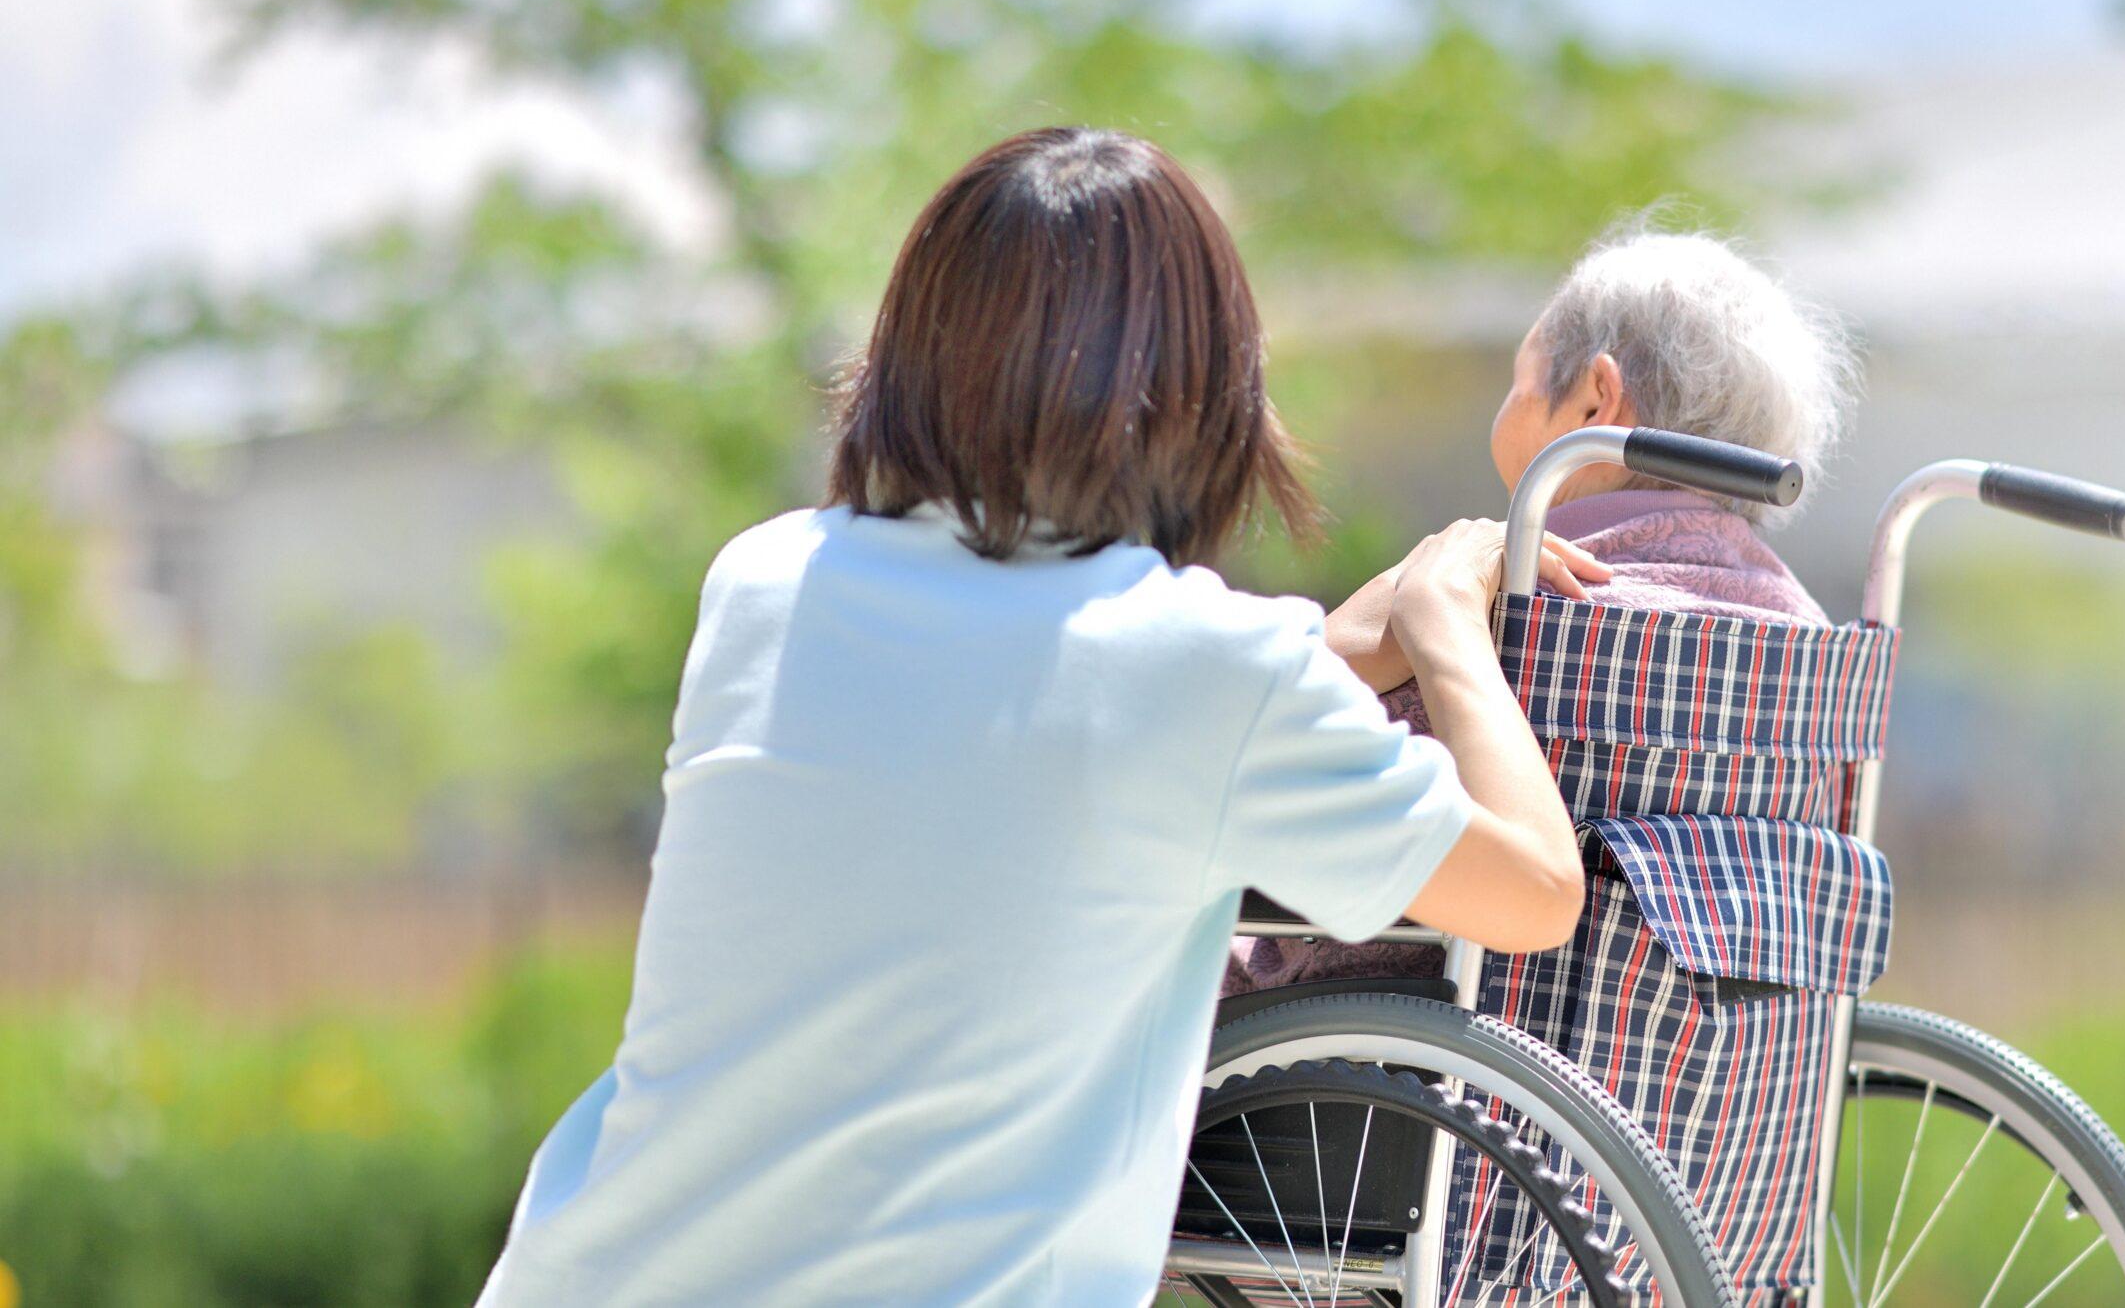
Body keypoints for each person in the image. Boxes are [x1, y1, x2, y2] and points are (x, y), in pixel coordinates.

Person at [474, 127, 1605, 1308]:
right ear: (1200, 394)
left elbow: (1017, 726)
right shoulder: (1209, 675)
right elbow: (1534, 890)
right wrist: (1440, 622)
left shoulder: (762, 583)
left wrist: (1311, 652)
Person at [1229, 224, 1854, 995]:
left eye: (1519, 379)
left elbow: (1251, 751)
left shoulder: (1506, 603)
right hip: (1687, 1089)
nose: (1510, 400)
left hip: (1367, 1074)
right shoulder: (1810, 642)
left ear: (1597, 394)